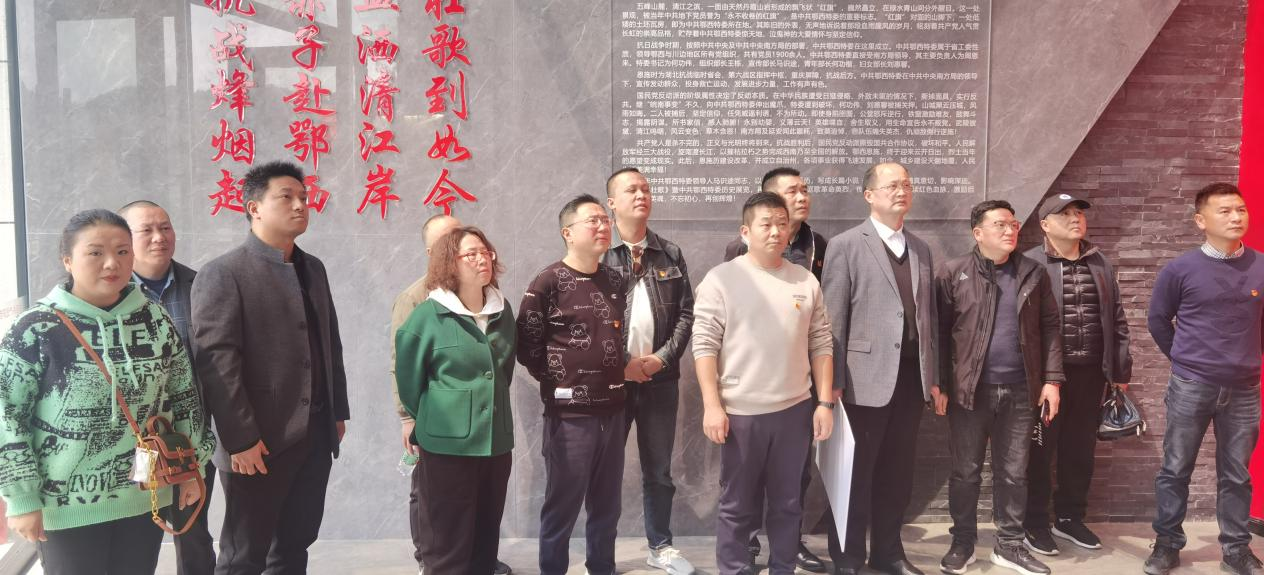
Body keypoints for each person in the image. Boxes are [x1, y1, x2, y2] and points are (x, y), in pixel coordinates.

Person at [0, 209, 214, 574]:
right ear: (68, 260)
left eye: (122, 251)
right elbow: (8, 417)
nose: (112, 263)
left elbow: (185, 397)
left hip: (145, 496)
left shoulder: (155, 318)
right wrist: (21, 498)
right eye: (95, 252)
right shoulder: (34, 329)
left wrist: (194, 467)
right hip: (64, 506)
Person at [191, 160, 350, 575]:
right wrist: (239, 439)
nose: (300, 205)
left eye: (304, 197)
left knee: (295, 545)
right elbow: (216, 363)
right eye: (287, 197)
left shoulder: (313, 268)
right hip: (258, 442)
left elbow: (329, 343)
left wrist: (336, 412)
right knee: (244, 554)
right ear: (254, 207)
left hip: (314, 434)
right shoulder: (223, 273)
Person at [693, 192, 835, 575]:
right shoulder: (722, 279)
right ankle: (734, 569)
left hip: (794, 411)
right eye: (766, 224)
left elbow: (821, 342)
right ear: (745, 232)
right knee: (737, 506)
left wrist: (824, 403)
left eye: (782, 224)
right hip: (741, 414)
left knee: (788, 504)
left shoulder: (805, 280)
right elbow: (704, 345)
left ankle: (783, 568)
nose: (776, 232)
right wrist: (712, 405)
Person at [820, 162, 941, 575]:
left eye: (906, 184)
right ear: (869, 195)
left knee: (897, 475)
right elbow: (832, 321)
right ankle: (848, 558)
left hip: (910, 381)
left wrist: (933, 377)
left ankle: (889, 553)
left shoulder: (921, 248)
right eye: (891, 185)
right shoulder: (846, 245)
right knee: (854, 476)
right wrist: (832, 381)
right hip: (860, 381)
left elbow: (929, 319)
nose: (901, 191)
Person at [935, 200, 1063, 575]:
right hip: (969, 392)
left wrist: (1052, 380)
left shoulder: (1033, 273)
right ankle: (963, 542)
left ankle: (1009, 545)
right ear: (978, 233)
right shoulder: (953, 272)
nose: (1010, 230)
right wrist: (939, 384)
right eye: (1000, 225)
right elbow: (938, 334)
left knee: (1014, 473)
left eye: (1013, 224)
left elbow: (1051, 328)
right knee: (965, 472)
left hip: (1022, 390)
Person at [1144, 183, 1264, 575]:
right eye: (1225, 211)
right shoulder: (1180, 269)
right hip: (1191, 385)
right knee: (1175, 468)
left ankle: (1236, 549)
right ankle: (1166, 545)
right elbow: (1158, 320)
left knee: (1237, 474)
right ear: (1201, 220)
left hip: (1244, 388)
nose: (1236, 217)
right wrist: (1185, 360)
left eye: (1240, 209)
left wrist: (1250, 358)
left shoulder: (1261, 266)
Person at [389, 214, 513, 575]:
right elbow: (410, 380)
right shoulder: (427, 315)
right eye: (471, 254)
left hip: (495, 443)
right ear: (449, 263)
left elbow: (501, 372)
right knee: (446, 542)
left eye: (485, 252)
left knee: (484, 538)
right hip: (447, 445)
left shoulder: (502, 310)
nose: (482, 259)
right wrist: (438, 414)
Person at [517, 194, 628, 575]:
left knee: (607, 505)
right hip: (570, 415)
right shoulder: (547, 282)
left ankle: (602, 567)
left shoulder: (615, 279)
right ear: (568, 232)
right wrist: (560, 379)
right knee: (562, 505)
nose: (603, 226)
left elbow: (617, 337)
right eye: (592, 220)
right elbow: (528, 346)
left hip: (613, 410)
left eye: (605, 220)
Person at [1021, 194, 1132, 557]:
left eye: (1079, 213)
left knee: (1080, 449)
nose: (1075, 219)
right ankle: (1034, 522)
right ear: (1045, 224)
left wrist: (1120, 369)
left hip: (1091, 373)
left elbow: (1116, 317)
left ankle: (1069, 518)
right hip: (1045, 378)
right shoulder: (1030, 264)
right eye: (1065, 214)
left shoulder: (1100, 262)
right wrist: (1040, 377)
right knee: (1039, 451)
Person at [601, 167, 696, 575]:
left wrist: (661, 359)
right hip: (611, 382)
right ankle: (600, 551)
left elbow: (687, 314)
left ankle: (661, 546)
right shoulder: (600, 253)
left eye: (645, 188)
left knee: (659, 470)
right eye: (631, 190)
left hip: (660, 380)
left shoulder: (669, 253)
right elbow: (590, 319)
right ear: (611, 203)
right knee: (605, 469)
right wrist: (622, 364)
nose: (641, 195)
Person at [120, 199, 218, 575]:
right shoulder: (112, 293)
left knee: (192, 528)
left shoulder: (202, 285)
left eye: (165, 227)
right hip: (136, 438)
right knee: (136, 528)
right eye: (146, 230)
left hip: (190, 435)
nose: (159, 237)